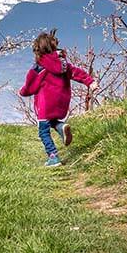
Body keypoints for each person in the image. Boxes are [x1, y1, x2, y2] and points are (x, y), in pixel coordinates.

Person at [19, 30, 97, 167]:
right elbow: (76, 72)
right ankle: (61, 127)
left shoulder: (39, 68)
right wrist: (90, 81)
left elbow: (30, 86)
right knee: (53, 120)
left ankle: (53, 157)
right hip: (61, 102)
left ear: (38, 50)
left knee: (43, 131)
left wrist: (23, 92)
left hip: (45, 104)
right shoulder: (64, 64)